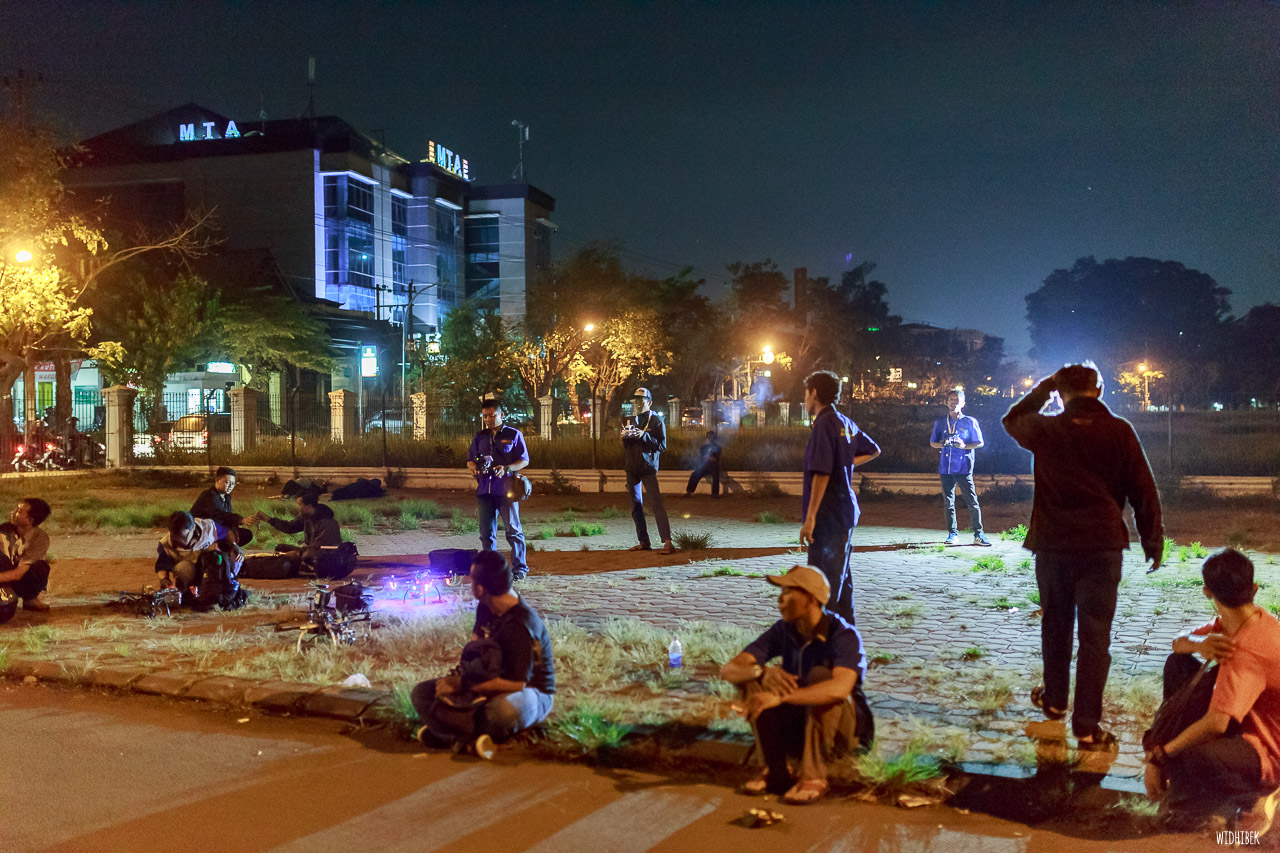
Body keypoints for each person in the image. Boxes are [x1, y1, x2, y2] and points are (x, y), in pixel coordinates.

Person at [1003, 362, 1163, 749]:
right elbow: (1143, 488)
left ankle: (1056, 701)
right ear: (1100, 389)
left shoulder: (1047, 429)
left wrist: (1044, 387)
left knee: (1055, 623)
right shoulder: (1120, 430)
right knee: (1095, 636)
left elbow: (1013, 418)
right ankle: (1087, 726)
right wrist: (1152, 540)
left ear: (1060, 391)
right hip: (1102, 546)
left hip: (1054, 545)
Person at [1144, 549, 1280, 835]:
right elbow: (1177, 643)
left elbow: (1215, 724)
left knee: (1197, 756)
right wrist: (1198, 644)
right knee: (1179, 664)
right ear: (1254, 589)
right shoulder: (1245, 620)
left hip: (1269, 748)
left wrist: (1159, 757)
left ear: (1207, 592)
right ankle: (1192, 784)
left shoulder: (1245, 647)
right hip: (1244, 721)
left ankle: (1254, 799)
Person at [720, 565, 874, 804]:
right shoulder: (785, 630)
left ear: (810, 599)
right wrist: (761, 673)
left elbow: (839, 689)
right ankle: (774, 768)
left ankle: (814, 777)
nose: (780, 600)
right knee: (750, 677)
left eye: (787, 593)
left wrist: (779, 698)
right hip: (802, 726)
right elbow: (729, 670)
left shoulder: (842, 634)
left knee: (821, 678)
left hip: (843, 734)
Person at [410, 551, 555, 754]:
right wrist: (461, 680)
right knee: (421, 693)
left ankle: (448, 734)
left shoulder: (520, 625)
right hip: (487, 683)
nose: (470, 586)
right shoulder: (486, 608)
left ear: (480, 588)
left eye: (471, 581)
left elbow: (516, 683)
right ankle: (469, 740)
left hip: (530, 694)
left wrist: (465, 685)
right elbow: (474, 652)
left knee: (501, 711)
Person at [799, 370, 880, 623]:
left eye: (806, 393)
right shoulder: (844, 422)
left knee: (825, 584)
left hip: (827, 516)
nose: (804, 399)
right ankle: (847, 637)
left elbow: (821, 474)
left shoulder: (824, 424)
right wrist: (844, 463)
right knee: (841, 579)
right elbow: (873, 450)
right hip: (844, 513)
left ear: (814, 393)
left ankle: (828, 643)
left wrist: (810, 518)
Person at [466, 399, 530, 581]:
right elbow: (470, 459)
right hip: (484, 491)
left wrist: (507, 468)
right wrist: (473, 468)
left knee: (513, 530)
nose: (488, 419)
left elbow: (524, 460)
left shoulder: (514, 434)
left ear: (501, 415)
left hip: (507, 490)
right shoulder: (480, 436)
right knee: (486, 534)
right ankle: (490, 570)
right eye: (485, 416)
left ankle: (520, 569)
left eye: (492, 415)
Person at [929, 389, 991, 546]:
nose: (953, 402)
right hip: (945, 467)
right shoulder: (940, 422)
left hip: (963, 467)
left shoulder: (970, 421)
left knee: (971, 501)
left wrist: (964, 446)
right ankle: (952, 534)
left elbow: (980, 442)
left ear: (963, 404)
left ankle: (979, 534)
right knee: (948, 501)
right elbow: (932, 443)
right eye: (951, 399)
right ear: (946, 402)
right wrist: (943, 443)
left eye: (957, 399)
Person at [622, 387, 674, 554]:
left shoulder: (656, 421)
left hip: (648, 468)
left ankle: (667, 542)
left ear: (649, 402)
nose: (637, 404)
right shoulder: (631, 420)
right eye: (635, 401)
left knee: (656, 503)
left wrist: (643, 435)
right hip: (631, 468)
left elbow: (662, 446)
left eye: (641, 401)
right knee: (636, 505)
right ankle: (643, 542)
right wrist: (625, 438)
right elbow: (628, 446)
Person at [253, 490, 341, 570]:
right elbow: (290, 527)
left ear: (309, 506)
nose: (297, 507)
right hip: (309, 550)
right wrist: (269, 520)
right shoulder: (306, 517)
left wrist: (298, 553)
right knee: (280, 548)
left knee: (307, 555)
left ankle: (302, 563)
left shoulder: (327, 522)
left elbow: (319, 546)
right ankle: (301, 563)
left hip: (325, 555)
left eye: (299, 504)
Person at [155, 510, 242, 591]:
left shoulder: (208, 527)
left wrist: (234, 546)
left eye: (183, 536)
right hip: (189, 573)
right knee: (183, 567)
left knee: (233, 555)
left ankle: (228, 585)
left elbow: (226, 532)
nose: (180, 540)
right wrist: (164, 579)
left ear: (193, 528)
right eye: (175, 536)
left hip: (210, 568)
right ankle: (185, 593)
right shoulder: (166, 543)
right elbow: (162, 564)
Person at [0, 498, 53, 612]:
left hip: (19, 578)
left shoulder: (40, 538)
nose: (13, 513)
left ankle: (30, 599)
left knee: (41, 567)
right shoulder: (4, 529)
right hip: (4, 577)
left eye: (19, 511)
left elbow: (19, 573)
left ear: (29, 520)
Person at [191, 466, 253, 546]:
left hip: (218, 530)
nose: (231, 486)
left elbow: (228, 515)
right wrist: (240, 520)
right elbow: (218, 514)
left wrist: (234, 527)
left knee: (245, 534)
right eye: (227, 482)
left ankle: (227, 551)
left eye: (233, 484)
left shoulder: (226, 496)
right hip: (203, 532)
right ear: (217, 480)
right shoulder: (209, 495)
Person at [685, 430, 723, 498]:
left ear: (714, 438)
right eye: (708, 437)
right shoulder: (703, 447)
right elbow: (701, 457)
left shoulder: (718, 448)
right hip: (704, 466)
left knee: (715, 476)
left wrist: (707, 457)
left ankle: (715, 494)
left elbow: (716, 459)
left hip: (713, 466)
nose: (710, 439)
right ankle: (689, 491)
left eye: (711, 437)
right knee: (694, 474)